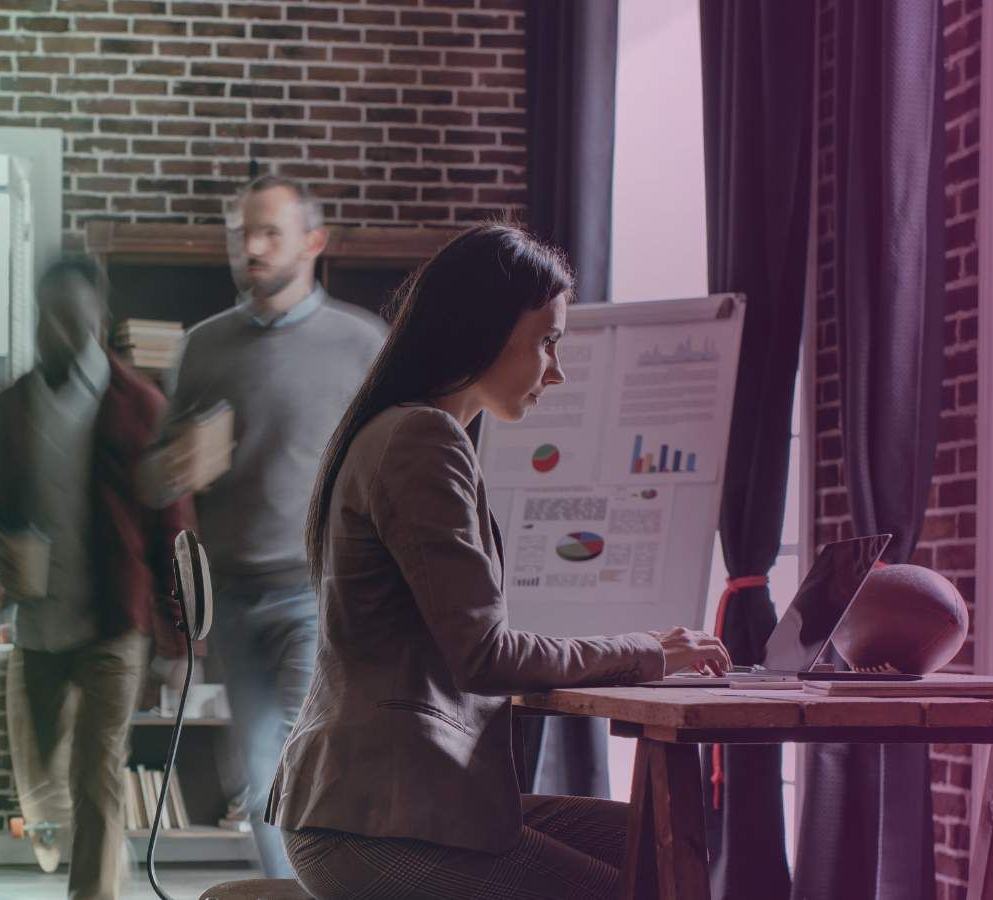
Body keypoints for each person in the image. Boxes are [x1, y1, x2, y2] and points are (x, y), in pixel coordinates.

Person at [267, 225, 731, 899]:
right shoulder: (421, 439)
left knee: (656, 840)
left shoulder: (410, 430)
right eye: (547, 340)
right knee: (633, 882)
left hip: (399, 797)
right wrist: (643, 649)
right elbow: (486, 656)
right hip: (369, 822)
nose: (557, 368)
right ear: (484, 327)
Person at [142, 174, 387, 878]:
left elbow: (399, 462)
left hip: (321, 591)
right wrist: (178, 466)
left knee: (280, 760)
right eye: (240, 233)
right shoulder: (202, 348)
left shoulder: (362, 344)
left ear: (314, 242)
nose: (249, 247)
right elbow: (154, 480)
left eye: (268, 232)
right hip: (231, 599)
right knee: (260, 778)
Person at [0, 256, 197, 900]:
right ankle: (101, 864)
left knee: (98, 777)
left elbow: (174, 532)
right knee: (43, 777)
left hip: (113, 628)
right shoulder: (8, 412)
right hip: (38, 627)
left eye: (71, 318)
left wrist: (180, 643)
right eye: (46, 316)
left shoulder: (142, 408)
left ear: (97, 320)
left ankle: (92, 892)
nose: (56, 331)